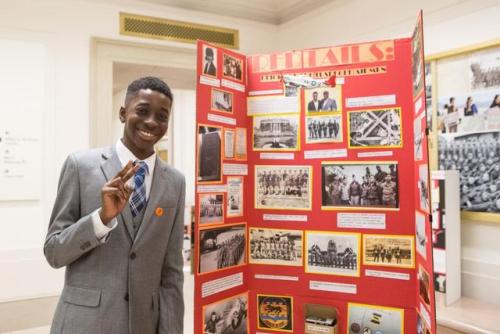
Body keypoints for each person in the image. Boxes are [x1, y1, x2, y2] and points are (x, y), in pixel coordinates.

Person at [44, 77, 185, 334]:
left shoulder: (175, 181)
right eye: (142, 111)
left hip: (144, 323)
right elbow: (54, 252)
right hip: (86, 323)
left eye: (162, 116)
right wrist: (101, 219)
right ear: (123, 113)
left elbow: (172, 272)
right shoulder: (80, 166)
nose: (152, 122)